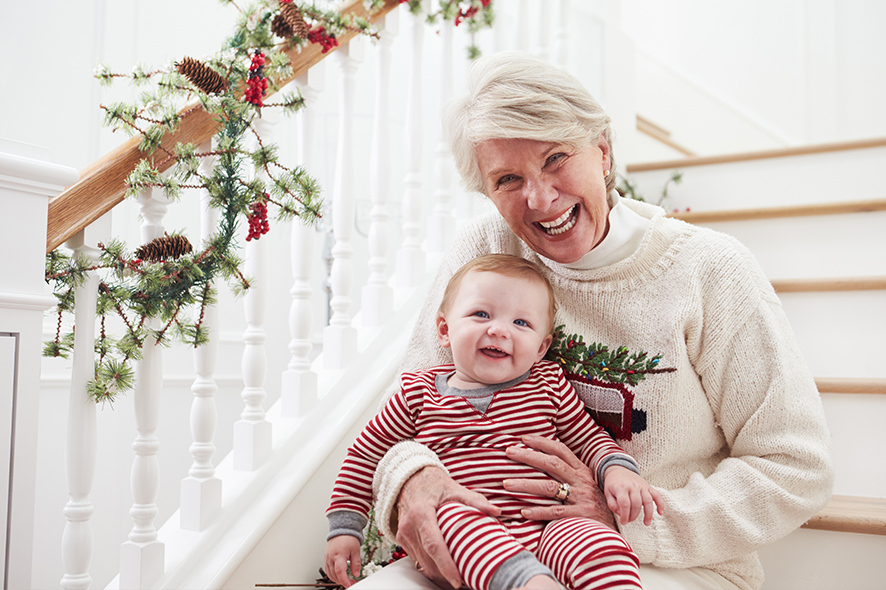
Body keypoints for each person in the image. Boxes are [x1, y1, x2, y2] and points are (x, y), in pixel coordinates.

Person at [366, 52, 834, 590]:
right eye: (508, 179)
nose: (539, 199)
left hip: (665, 561)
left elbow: (795, 466)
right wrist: (413, 480)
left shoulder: (710, 271)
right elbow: (410, 409)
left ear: (604, 152)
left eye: (556, 158)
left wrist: (626, 521)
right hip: (491, 546)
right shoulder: (486, 250)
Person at [325, 254, 664, 590]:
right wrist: (345, 527)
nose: (499, 330)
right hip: (472, 525)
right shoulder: (418, 393)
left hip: (550, 524)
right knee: (449, 514)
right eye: (481, 314)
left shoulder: (548, 384)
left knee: (595, 539)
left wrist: (618, 470)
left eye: (521, 323)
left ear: (541, 348)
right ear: (444, 329)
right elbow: (366, 456)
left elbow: (589, 439)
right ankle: (531, 584)